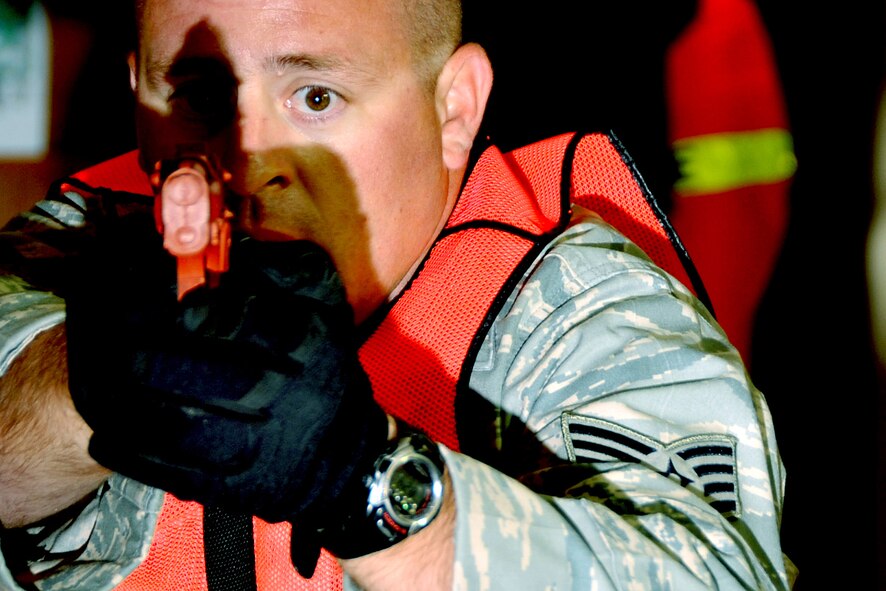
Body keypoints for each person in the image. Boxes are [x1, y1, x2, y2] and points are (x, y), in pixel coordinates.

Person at [0, 0, 795, 589]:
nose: (248, 161)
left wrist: (371, 487)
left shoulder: (587, 316)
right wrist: (87, 384)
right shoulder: (81, 245)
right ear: (140, 91)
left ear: (454, 111)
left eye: (315, 97)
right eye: (203, 96)